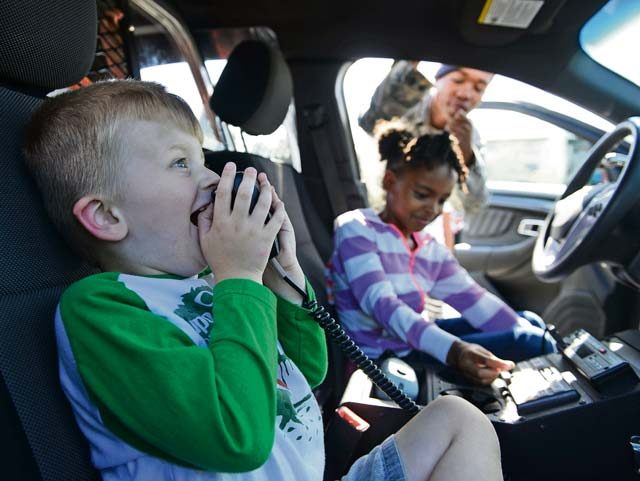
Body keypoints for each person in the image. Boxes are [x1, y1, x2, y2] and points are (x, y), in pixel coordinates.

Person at [23, 80, 504, 481]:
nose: (213, 180)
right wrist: (242, 278)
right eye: (180, 164)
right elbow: (238, 439)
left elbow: (307, 371)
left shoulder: (211, 279)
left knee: (460, 421)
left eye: (203, 161)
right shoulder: (103, 309)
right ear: (107, 216)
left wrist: (279, 278)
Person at [329, 125, 555, 385]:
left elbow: (473, 298)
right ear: (390, 182)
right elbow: (383, 306)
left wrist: (514, 327)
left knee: (529, 322)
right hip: (384, 358)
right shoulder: (356, 229)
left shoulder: (427, 246)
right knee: (532, 341)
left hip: (413, 342)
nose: (433, 209)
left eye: (441, 200)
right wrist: (455, 351)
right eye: (422, 195)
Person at [360, 62, 492, 216]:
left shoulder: (472, 139)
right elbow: (371, 124)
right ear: (438, 80)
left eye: (479, 88)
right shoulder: (406, 104)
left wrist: (467, 157)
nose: (466, 94)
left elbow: (475, 205)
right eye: (458, 80)